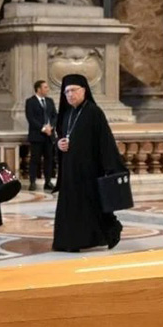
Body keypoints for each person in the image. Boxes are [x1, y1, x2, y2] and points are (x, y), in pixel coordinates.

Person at [52, 73, 125, 252]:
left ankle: (110, 231)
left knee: (91, 206)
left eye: (73, 90)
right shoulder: (66, 114)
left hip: (89, 170)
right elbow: (61, 137)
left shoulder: (93, 112)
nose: (70, 94)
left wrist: (112, 168)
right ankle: (69, 242)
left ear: (84, 90)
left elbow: (105, 141)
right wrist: (59, 144)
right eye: (66, 92)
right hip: (70, 171)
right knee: (71, 206)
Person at [25, 79, 57, 191]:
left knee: (49, 159)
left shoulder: (49, 101)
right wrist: (43, 128)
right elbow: (31, 118)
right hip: (37, 135)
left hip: (49, 135)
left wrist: (51, 127)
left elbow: (54, 115)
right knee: (35, 159)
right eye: (45, 87)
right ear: (38, 89)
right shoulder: (30, 101)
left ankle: (47, 182)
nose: (47, 89)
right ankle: (32, 182)